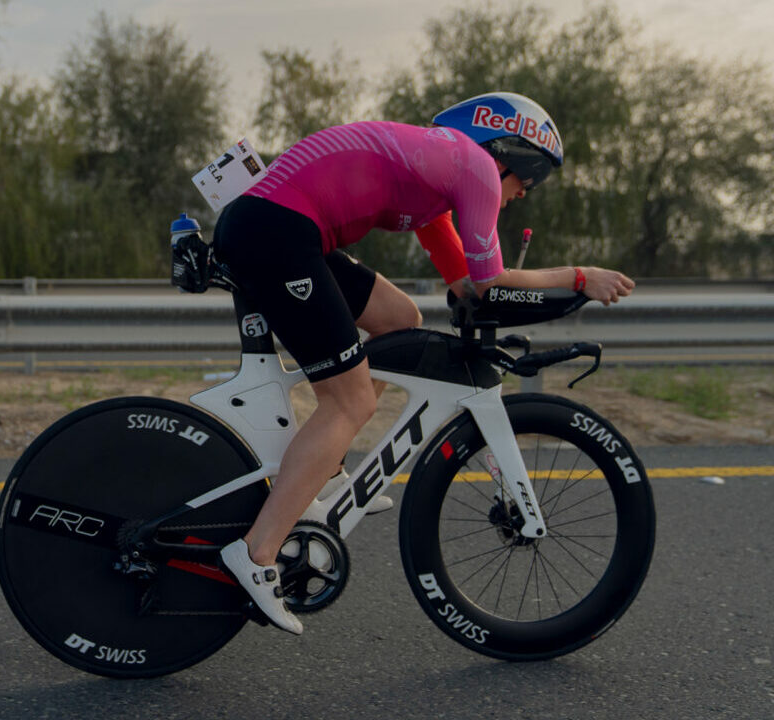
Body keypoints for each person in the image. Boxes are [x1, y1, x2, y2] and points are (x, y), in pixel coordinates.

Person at [212, 91, 635, 635]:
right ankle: (257, 554)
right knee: (351, 399)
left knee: (398, 317)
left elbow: (463, 283)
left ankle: (328, 475)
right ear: (508, 156)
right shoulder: (477, 167)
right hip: (278, 231)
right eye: (522, 187)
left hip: (280, 225)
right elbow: (489, 280)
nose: (514, 199)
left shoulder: (440, 179)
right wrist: (579, 277)